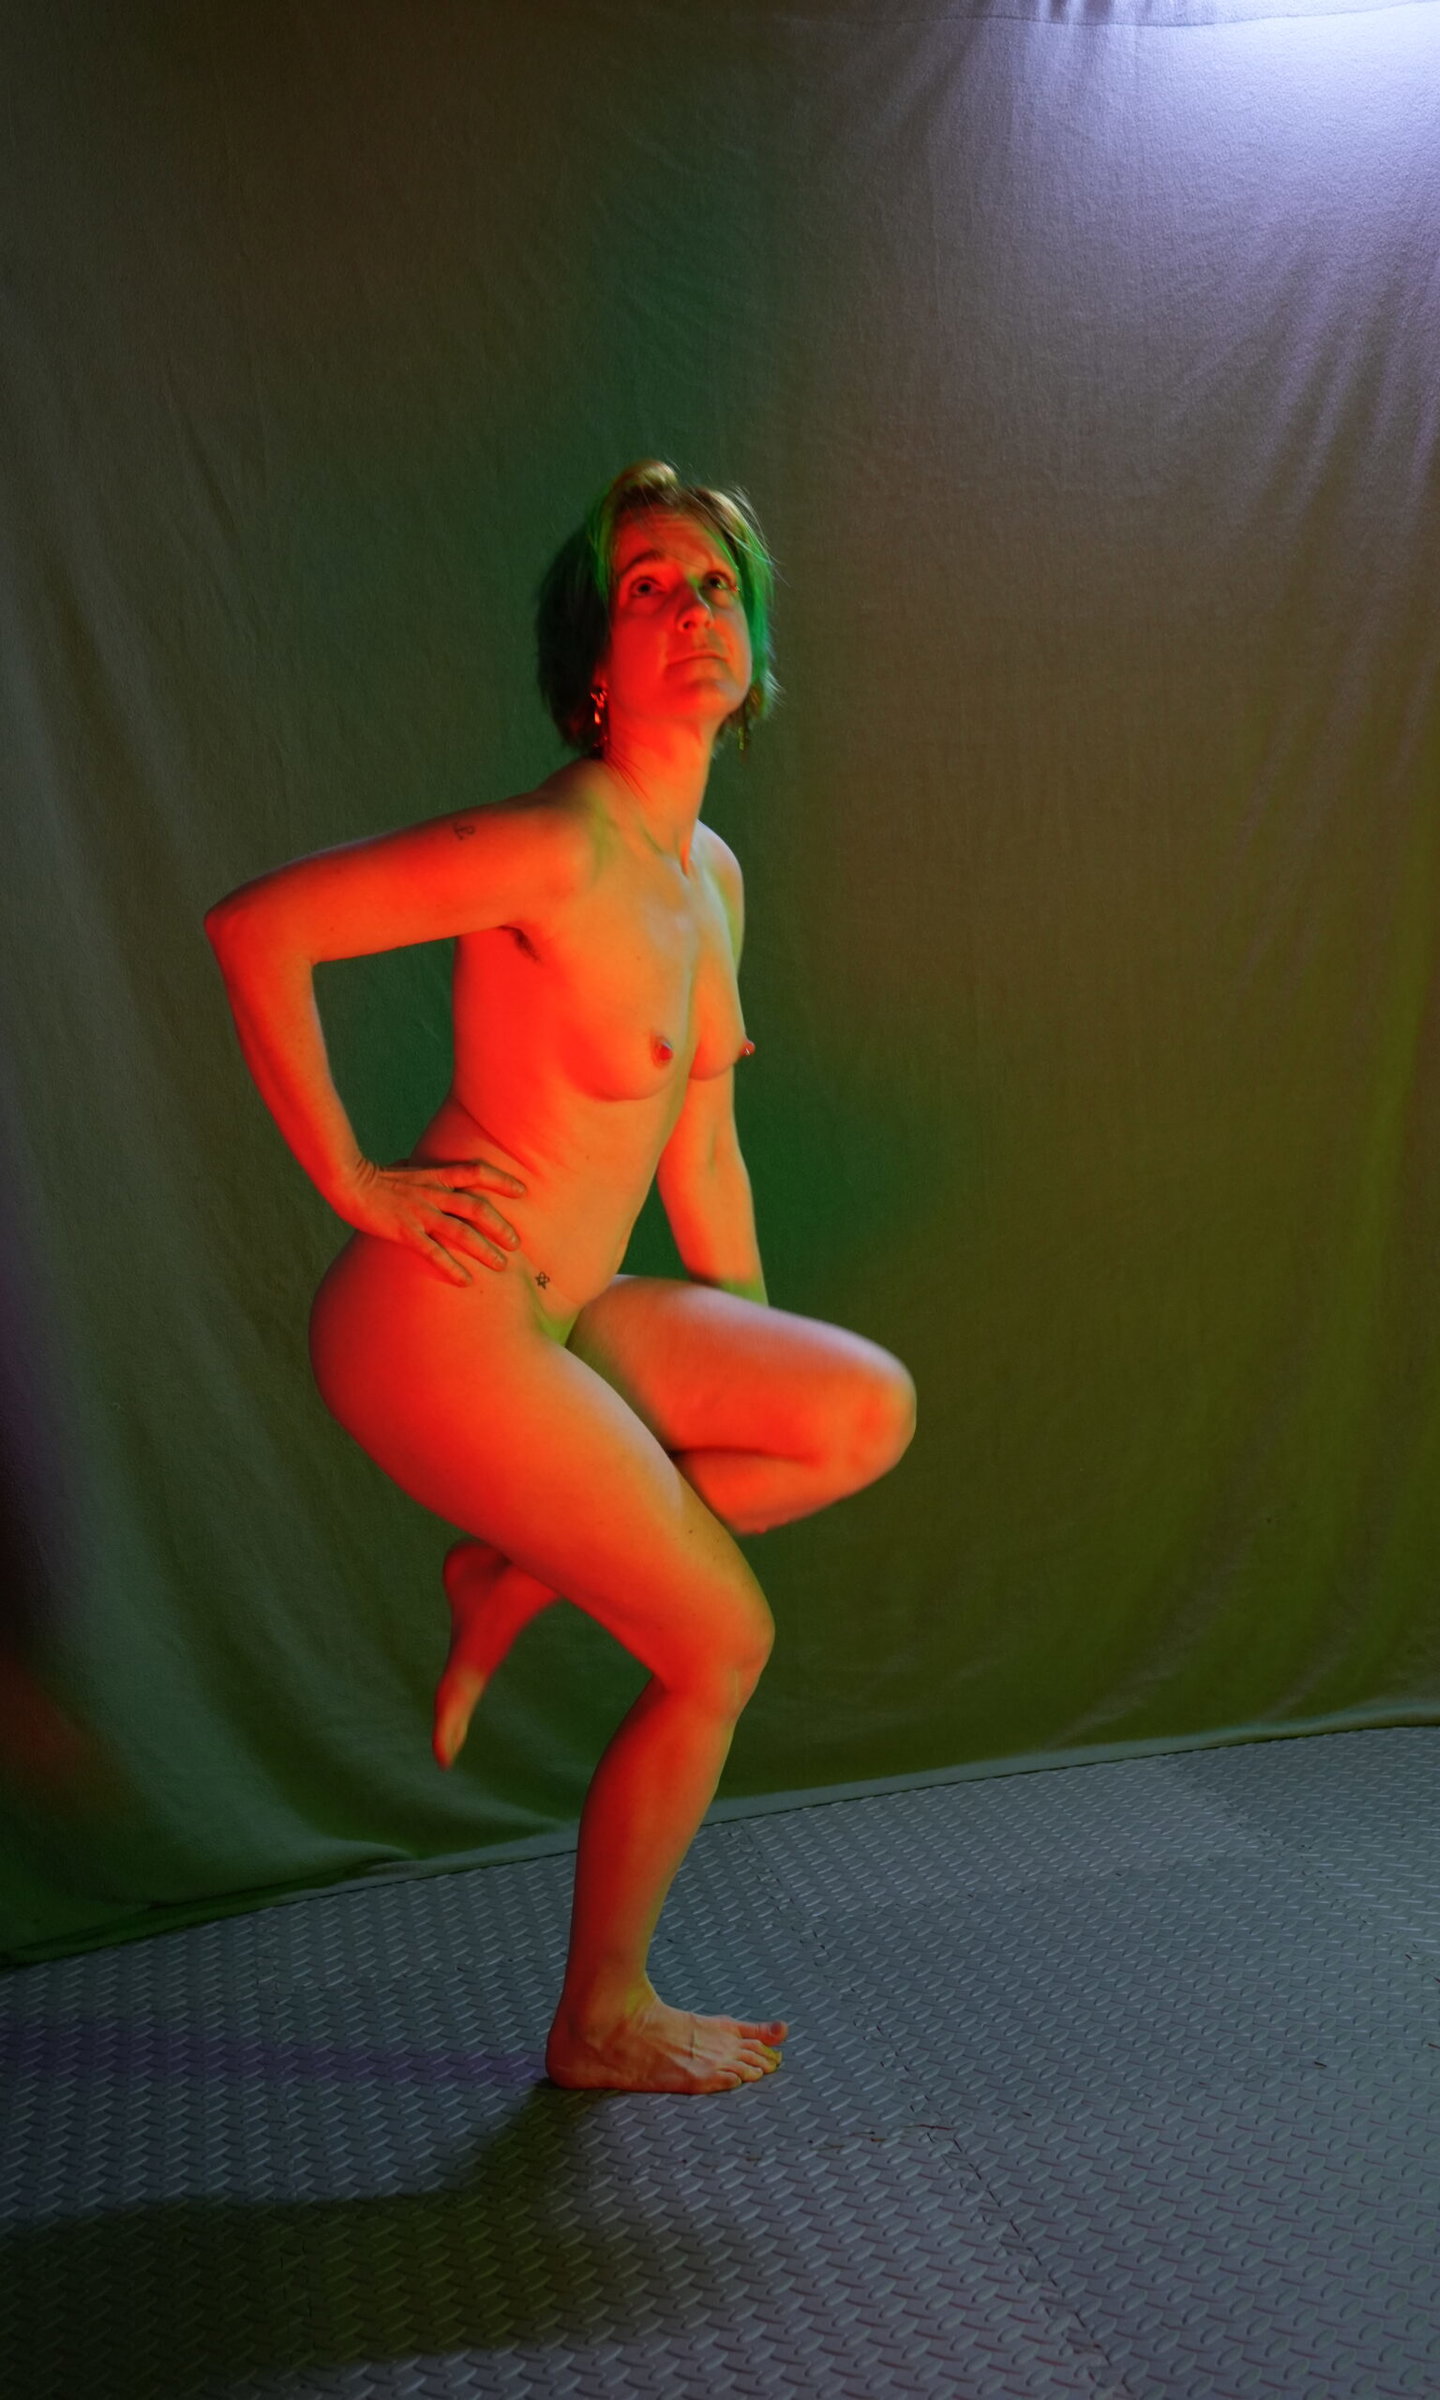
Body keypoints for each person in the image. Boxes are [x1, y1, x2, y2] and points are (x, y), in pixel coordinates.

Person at [204, 460, 916, 2095]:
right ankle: (601, 2016)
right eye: (650, 587)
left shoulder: (709, 873)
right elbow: (260, 930)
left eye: (718, 587)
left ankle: (516, 1575)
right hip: (441, 1322)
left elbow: (704, 1157)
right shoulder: (556, 845)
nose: (694, 609)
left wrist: (748, 1357)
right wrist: (355, 1182)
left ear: (754, 648)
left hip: (568, 1313)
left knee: (859, 1409)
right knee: (720, 1644)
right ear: (595, 660)